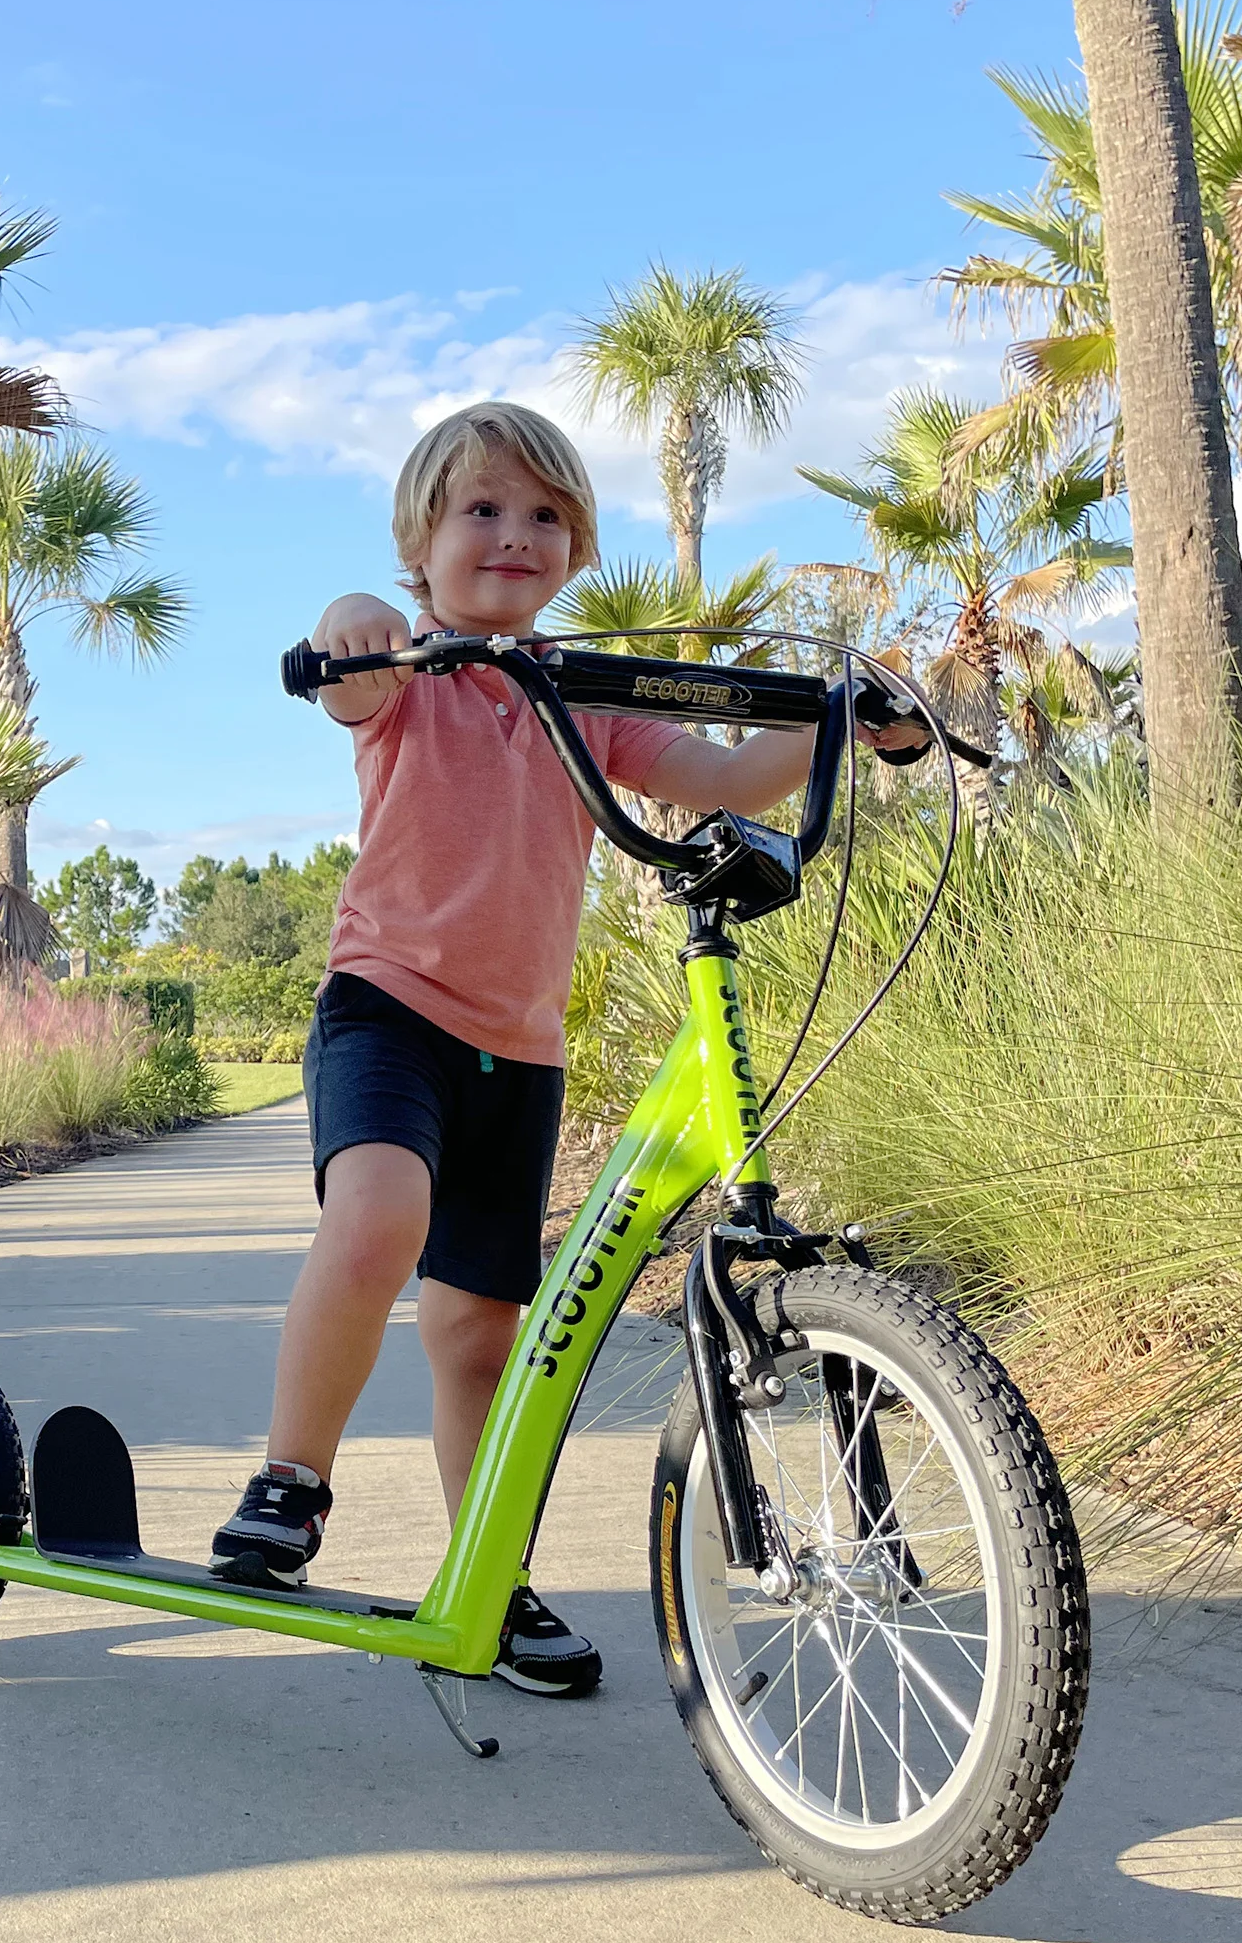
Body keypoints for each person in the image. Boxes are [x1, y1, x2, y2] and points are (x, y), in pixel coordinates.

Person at [211, 401, 924, 1695]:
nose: (516, 533)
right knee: (376, 1220)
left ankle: (491, 1572)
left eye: (548, 516)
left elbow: (722, 774)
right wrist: (354, 618)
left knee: (484, 1336)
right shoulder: (413, 674)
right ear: (421, 544)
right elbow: (348, 670)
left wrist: (836, 715)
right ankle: (292, 1479)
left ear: (579, 551)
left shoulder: (583, 693)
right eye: (481, 508)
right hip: (389, 1007)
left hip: (519, 1053)